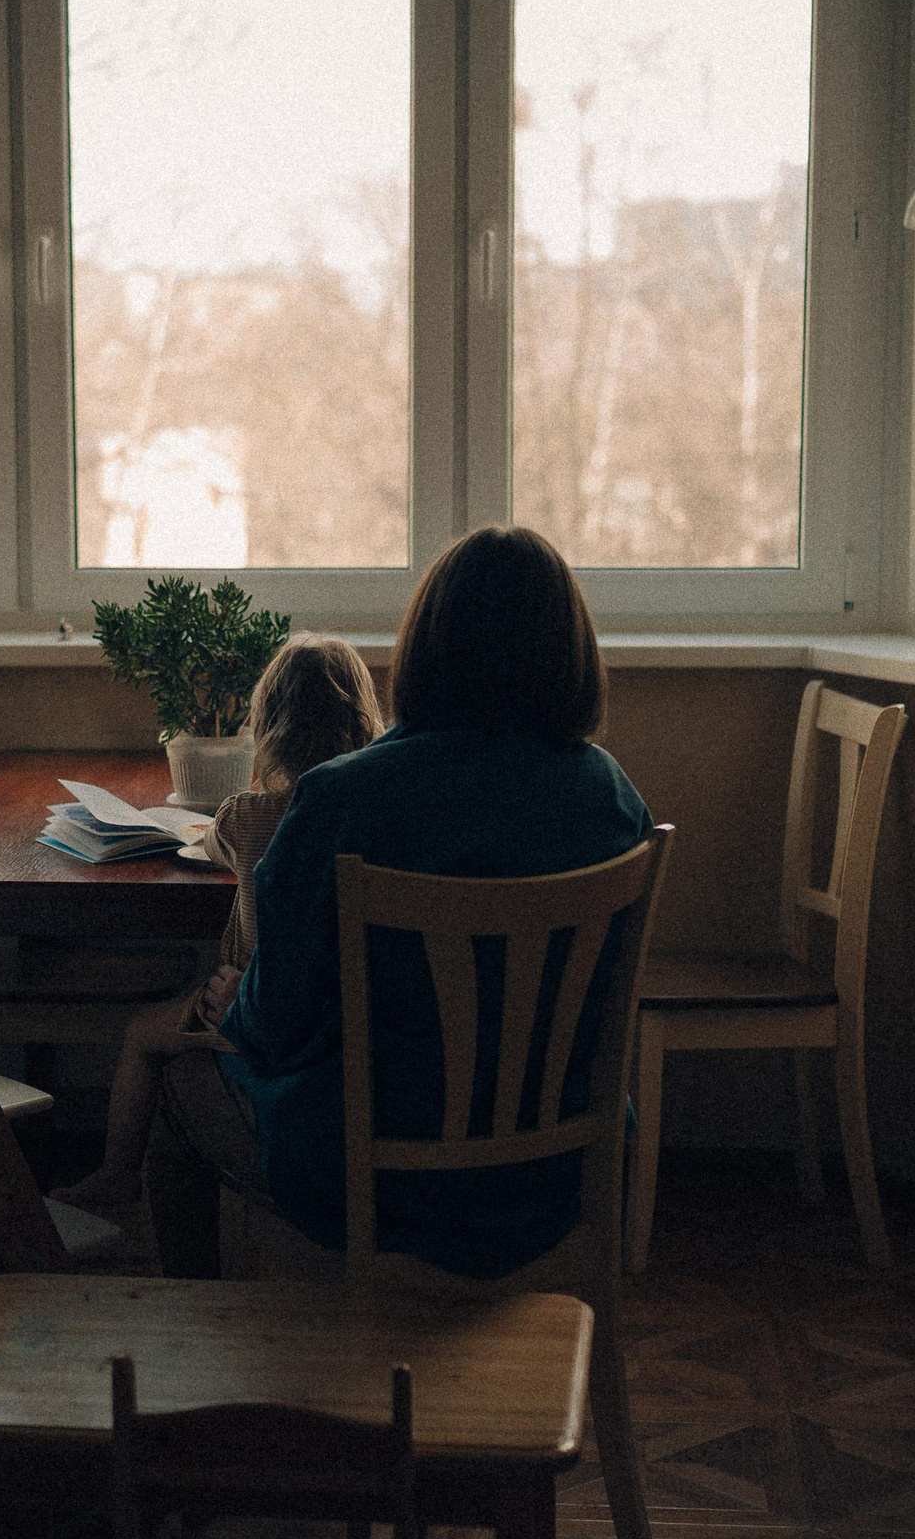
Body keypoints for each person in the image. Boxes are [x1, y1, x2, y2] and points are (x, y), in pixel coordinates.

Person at [146, 526, 653, 1281]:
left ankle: (212, 1367)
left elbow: (278, 1025)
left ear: (426, 646)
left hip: (370, 1175)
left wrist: (235, 1007)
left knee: (179, 1091)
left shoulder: (338, 801)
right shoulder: (612, 798)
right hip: (563, 1167)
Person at [51, 634, 383, 1209]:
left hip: (252, 1018)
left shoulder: (247, 817)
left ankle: (117, 1174)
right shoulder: (372, 817)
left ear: (269, 727)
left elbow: (214, 847)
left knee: (143, 1036)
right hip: (347, 1039)